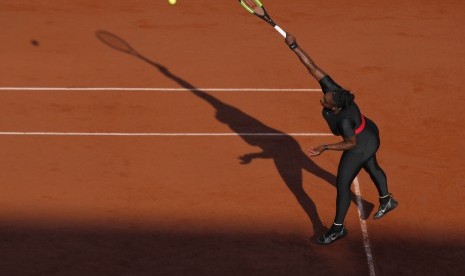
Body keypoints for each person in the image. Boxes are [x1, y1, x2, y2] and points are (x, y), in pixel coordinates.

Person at [284, 33, 398, 245]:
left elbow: (350, 143)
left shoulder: (344, 120)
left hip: (360, 143)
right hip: (368, 132)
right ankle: (387, 200)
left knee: (343, 183)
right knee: (371, 166)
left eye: (326, 100)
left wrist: (325, 147)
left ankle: (337, 229)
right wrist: (295, 47)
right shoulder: (334, 91)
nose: (323, 96)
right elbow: (313, 68)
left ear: (335, 106)